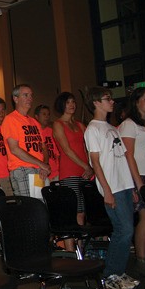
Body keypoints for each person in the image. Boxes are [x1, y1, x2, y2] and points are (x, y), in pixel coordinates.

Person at [84, 87, 139, 289]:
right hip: (112, 187)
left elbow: (123, 159)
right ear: (96, 103)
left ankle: (118, 271)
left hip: (124, 185)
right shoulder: (93, 129)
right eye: (107, 98)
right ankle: (110, 274)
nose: (112, 102)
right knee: (124, 230)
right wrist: (106, 190)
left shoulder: (111, 128)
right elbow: (96, 163)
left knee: (126, 230)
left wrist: (132, 187)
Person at [118, 87, 145, 276]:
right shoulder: (129, 124)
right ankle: (141, 259)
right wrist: (138, 183)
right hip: (141, 176)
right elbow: (129, 155)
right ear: (136, 101)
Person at [52, 92, 93, 248]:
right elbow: (66, 149)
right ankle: (70, 250)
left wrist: (90, 165)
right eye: (68, 102)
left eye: (73, 102)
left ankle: (80, 249)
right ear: (62, 105)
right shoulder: (58, 124)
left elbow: (87, 147)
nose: (72, 105)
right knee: (73, 212)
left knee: (82, 213)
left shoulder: (80, 125)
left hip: (85, 171)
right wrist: (86, 166)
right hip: (69, 171)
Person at [1, 84, 50, 196]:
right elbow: (14, 149)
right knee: (31, 207)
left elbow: (43, 148)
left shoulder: (35, 123)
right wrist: (41, 164)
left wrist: (44, 165)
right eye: (25, 95)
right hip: (22, 168)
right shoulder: (11, 119)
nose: (30, 98)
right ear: (15, 98)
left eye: (31, 95)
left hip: (38, 169)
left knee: (40, 205)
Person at [34, 105, 59, 181]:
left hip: (55, 172)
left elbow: (57, 153)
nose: (47, 117)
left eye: (48, 114)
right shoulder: (34, 133)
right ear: (37, 117)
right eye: (44, 114)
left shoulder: (52, 131)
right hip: (40, 173)